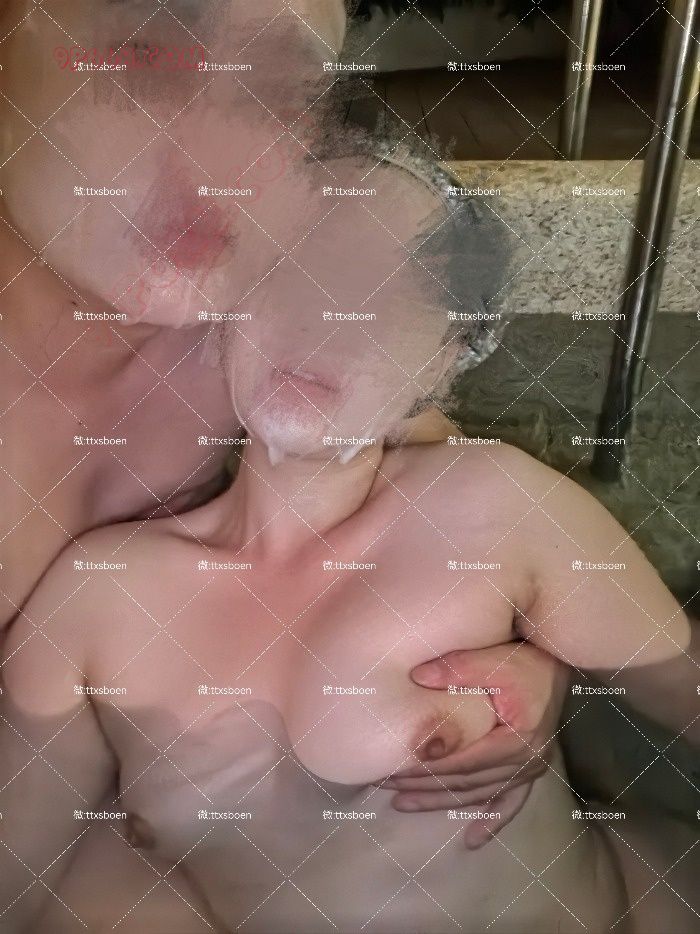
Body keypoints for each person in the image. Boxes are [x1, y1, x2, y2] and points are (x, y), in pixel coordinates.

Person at [1, 149, 694, 933]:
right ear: (229, 315)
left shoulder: (493, 507)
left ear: (443, 362)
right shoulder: (96, 595)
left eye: (387, 291)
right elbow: (15, 879)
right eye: (298, 268)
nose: (327, 317)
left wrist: (560, 675)